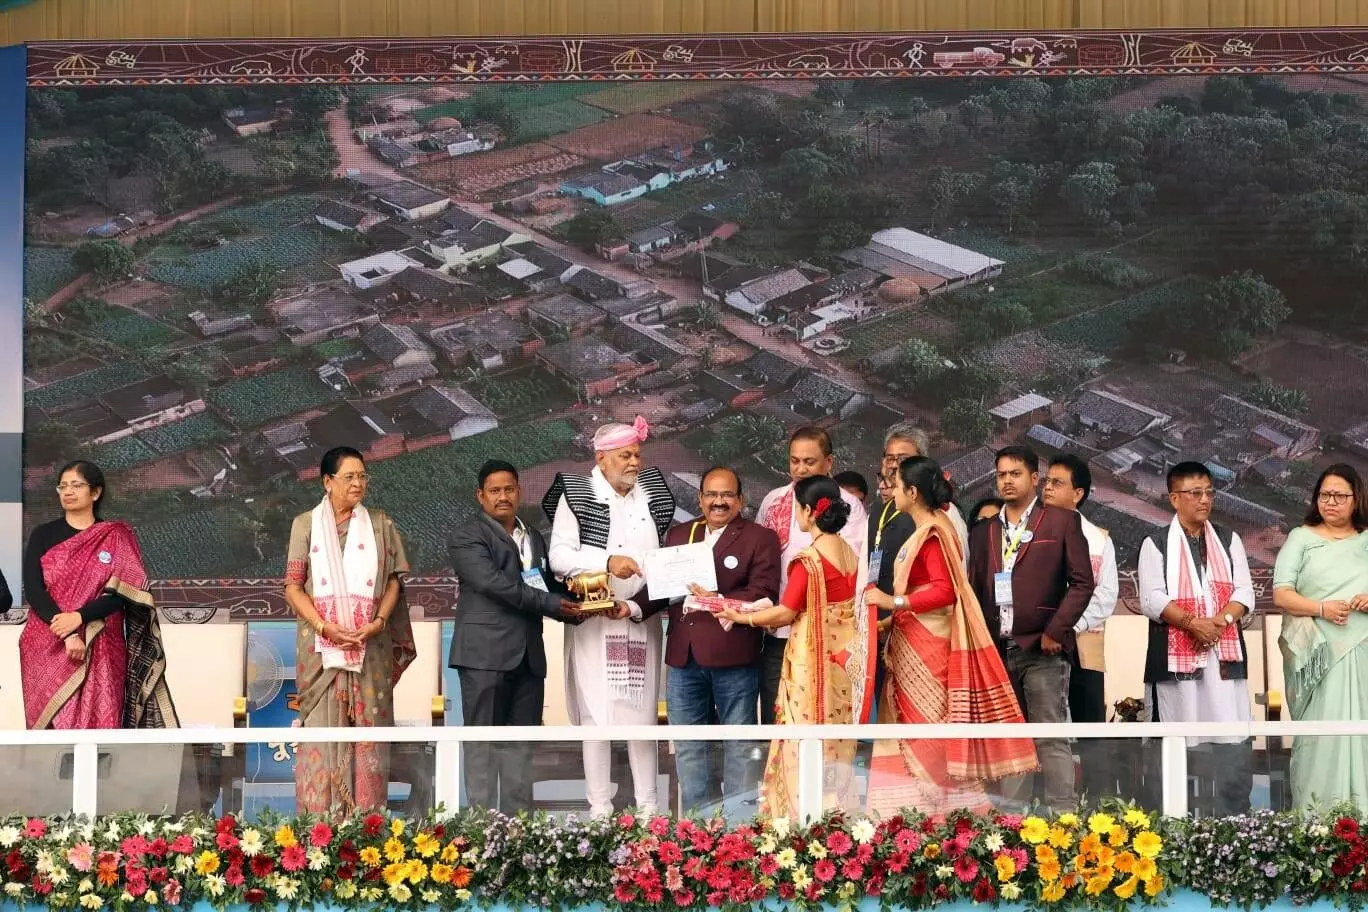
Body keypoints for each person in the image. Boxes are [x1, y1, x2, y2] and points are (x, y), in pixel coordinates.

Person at [865, 457, 1037, 815]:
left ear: (912, 492)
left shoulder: (931, 534)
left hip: (928, 652)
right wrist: (891, 618)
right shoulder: (931, 527)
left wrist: (892, 601)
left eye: (896, 486)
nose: (891, 492)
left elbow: (944, 591)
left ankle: (940, 817)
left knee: (928, 733)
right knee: (916, 731)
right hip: (914, 642)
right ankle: (912, 817)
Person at [543, 416, 675, 817]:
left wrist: (640, 601)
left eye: (637, 454)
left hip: (640, 620)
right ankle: (600, 811)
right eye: (624, 455)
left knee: (642, 715)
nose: (634, 462)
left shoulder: (652, 492)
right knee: (597, 718)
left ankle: (649, 811)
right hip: (597, 626)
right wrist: (607, 560)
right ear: (601, 458)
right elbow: (559, 557)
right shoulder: (577, 493)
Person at [720, 476, 871, 818]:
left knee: (803, 741)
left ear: (807, 511)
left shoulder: (810, 560)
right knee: (837, 741)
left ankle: (799, 819)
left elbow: (787, 612)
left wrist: (741, 617)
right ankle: (838, 817)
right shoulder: (850, 554)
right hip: (843, 666)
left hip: (811, 665)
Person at [447, 460, 587, 814]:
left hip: (528, 657)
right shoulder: (467, 536)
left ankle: (516, 831)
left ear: (519, 491)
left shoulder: (534, 536)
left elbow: (549, 584)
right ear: (480, 496)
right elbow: (498, 586)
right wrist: (554, 604)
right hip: (484, 658)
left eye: (509, 489)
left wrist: (585, 599)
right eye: (494, 491)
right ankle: (480, 829)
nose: (503, 496)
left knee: (522, 749)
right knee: (482, 747)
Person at [284, 446, 416, 815]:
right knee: (324, 742)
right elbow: (294, 587)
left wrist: (376, 623)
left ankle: (367, 829)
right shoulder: (304, 525)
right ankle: (320, 837)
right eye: (349, 477)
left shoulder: (380, 523)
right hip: (321, 651)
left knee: (369, 740)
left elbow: (394, 583)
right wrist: (325, 626)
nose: (358, 484)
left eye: (362, 476)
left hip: (369, 646)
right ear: (327, 482)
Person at [967, 445, 1093, 810]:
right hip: (997, 648)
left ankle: (1063, 817)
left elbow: (1083, 582)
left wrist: (1056, 631)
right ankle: (1011, 823)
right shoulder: (983, 531)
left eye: (1015, 474)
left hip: (1043, 649)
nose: (1007, 481)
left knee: (1050, 735)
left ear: (1034, 479)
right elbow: (975, 590)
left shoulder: (1060, 521)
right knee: (1010, 738)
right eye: (1001, 474)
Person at [20, 460, 177, 730]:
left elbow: (125, 593)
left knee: (103, 728)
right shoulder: (43, 534)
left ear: (95, 492)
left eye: (76, 485)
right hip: (49, 640)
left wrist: (79, 617)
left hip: (102, 642)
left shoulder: (115, 536)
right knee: (53, 731)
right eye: (63, 486)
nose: (67, 491)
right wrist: (67, 631)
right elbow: (34, 588)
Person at [661, 466, 780, 816]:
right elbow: (661, 590)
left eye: (726, 495)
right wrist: (629, 607)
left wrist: (716, 599)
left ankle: (738, 831)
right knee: (688, 747)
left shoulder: (760, 537)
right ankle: (698, 829)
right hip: (684, 658)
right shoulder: (680, 534)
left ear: (740, 500)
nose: (718, 502)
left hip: (735, 658)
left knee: (740, 745)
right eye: (711, 495)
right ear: (700, 498)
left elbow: (763, 591)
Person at [1137, 461, 1255, 817]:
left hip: (1223, 659)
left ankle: (1236, 823)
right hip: (1176, 665)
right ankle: (1171, 828)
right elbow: (1152, 598)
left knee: (1232, 742)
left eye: (1209, 492)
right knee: (1175, 744)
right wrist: (1192, 623)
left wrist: (1218, 622)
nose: (1204, 500)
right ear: (1175, 498)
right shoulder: (1155, 542)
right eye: (1195, 493)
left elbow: (1244, 592)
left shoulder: (1228, 539)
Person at [756, 427, 868, 725]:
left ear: (829, 462)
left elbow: (853, 573)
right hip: (778, 632)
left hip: (827, 635)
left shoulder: (848, 507)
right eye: (794, 461)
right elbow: (760, 561)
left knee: (824, 718)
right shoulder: (773, 500)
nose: (800, 469)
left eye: (809, 461)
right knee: (778, 716)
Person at [1274, 464, 1368, 809]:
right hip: (1319, 654)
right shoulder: (1301, 537)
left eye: (1340, 496)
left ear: (1356, 498)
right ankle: (1320, 821)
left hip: (1362, 651)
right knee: (1322, 737)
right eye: (1325, 495)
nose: (1331, 502)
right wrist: (1321, 608)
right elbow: (1282, 593)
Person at [1041, 455, 1118, 803]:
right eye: (1046, 481)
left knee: (1090, 732)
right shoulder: (1029, 532)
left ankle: (1099, 806)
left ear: (1078, 493)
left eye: (1057, 483)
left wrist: (1069, 627)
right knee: (1043, 729)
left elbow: (1106, 595)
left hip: (1084, 646)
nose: (1047, 487)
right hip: (1038, 647)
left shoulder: (1099, 539)